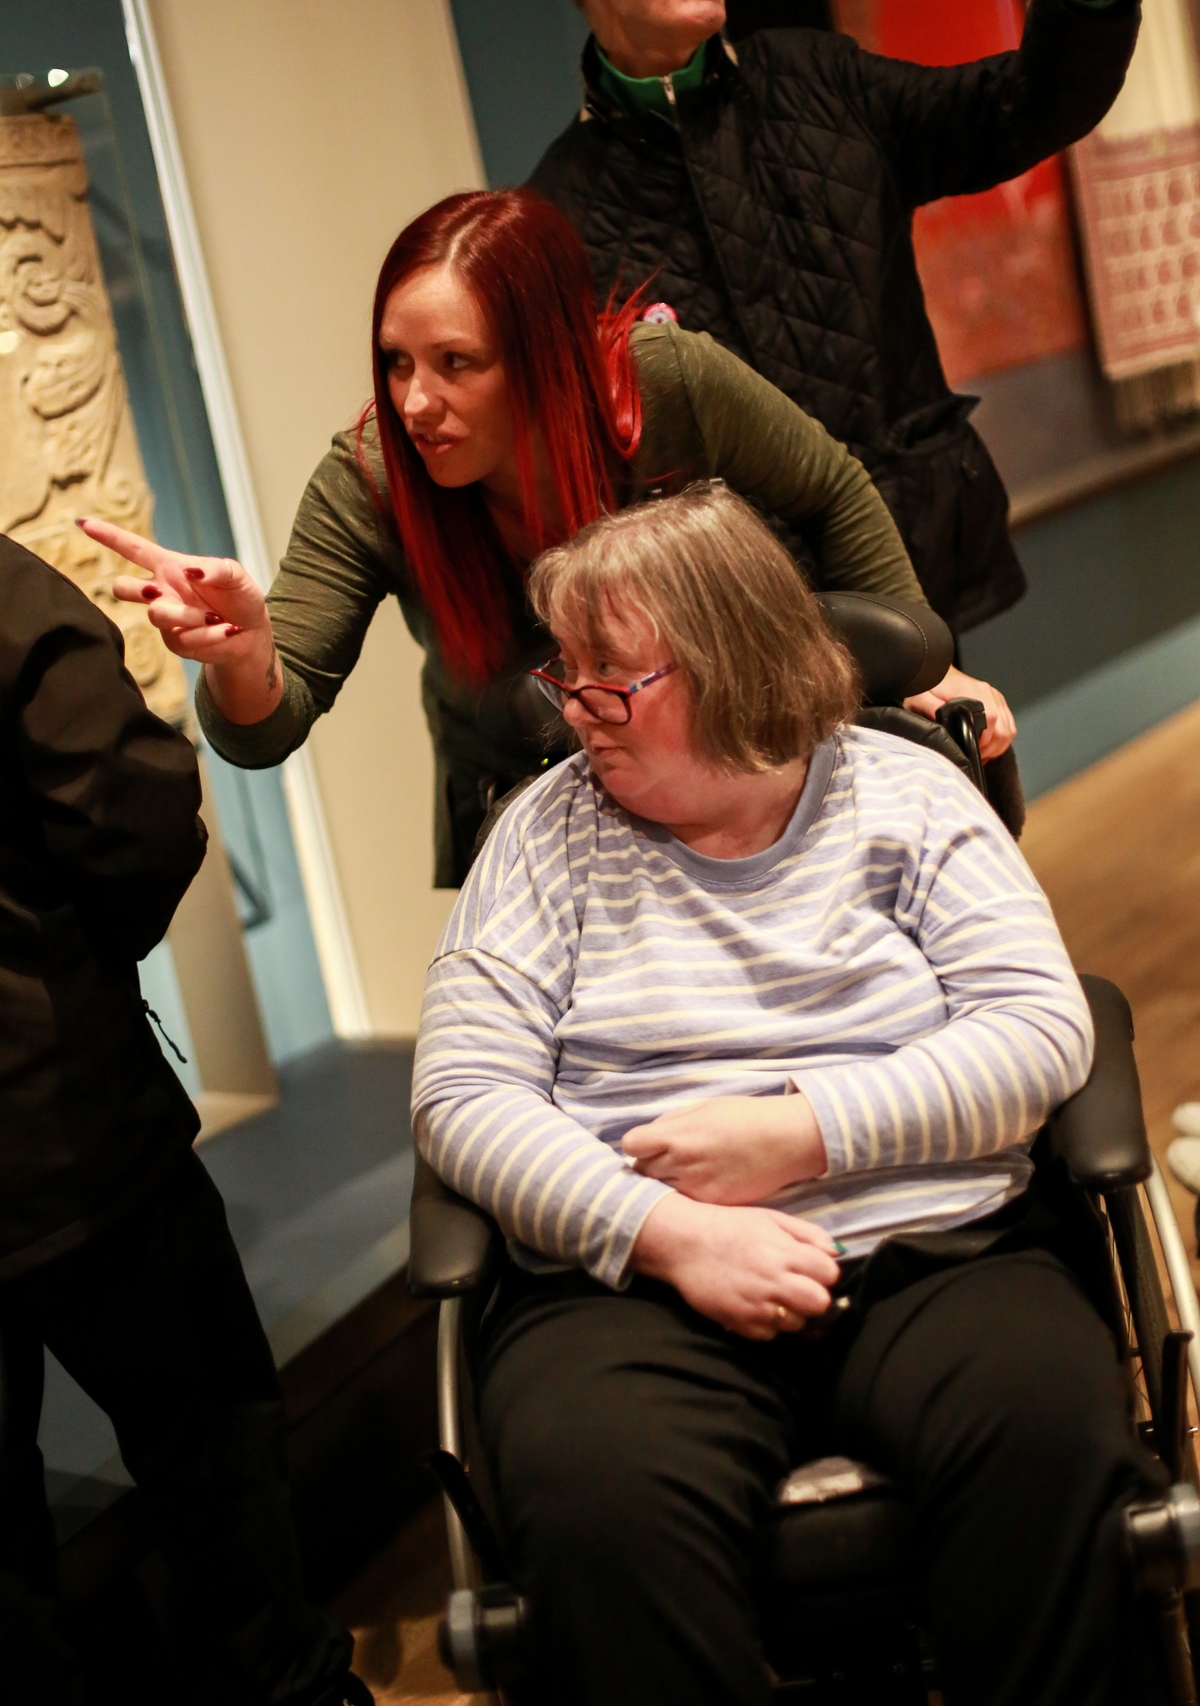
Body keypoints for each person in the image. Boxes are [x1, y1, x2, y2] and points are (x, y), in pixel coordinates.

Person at [411, 482, 1168, 1706]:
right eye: (569, 676)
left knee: (1046, 1437)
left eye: (616, 678)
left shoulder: (905, 795)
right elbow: (461, 1094)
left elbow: (1037, 1028)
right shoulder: (543, 839)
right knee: (599, 1505)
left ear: (733, 659)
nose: (579, 712)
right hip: (633, 1286)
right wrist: (666, 1233)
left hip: (936, 1247)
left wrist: (800, 1135)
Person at [80, 190, 1012, 889]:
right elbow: (266, 726)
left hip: (728, 753)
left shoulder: (663, 387)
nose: (414, 403)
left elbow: (834, 490)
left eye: (456, 364)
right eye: (396, 364)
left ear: (544, 356)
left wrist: (921, 667)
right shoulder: (370, 478)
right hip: (529, 799)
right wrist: (243, 654)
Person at [529, 0, 1200, 637]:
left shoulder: (818, 81)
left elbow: (1012, 108)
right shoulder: (554, 222)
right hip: (735, 643)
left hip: (907, 590)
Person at [0, 536, 369, 1706]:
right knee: (206, 1442)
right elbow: (135, 816)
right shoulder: (5, 598)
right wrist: (79, 965)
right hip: (61, 1119)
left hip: (58, 1107)